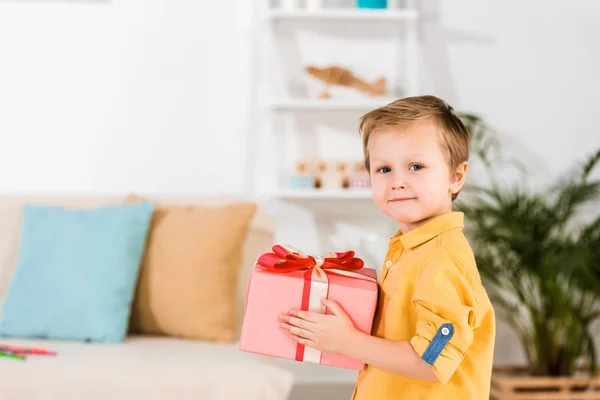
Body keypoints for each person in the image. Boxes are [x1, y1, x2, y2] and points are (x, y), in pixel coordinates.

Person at [279, 95, 496, 399]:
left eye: (416, 166)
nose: (397, 181)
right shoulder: (411, 247)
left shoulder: (442, 258)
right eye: (384, 169)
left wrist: (347, 341)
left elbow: (430, 361)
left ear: (456, 177)